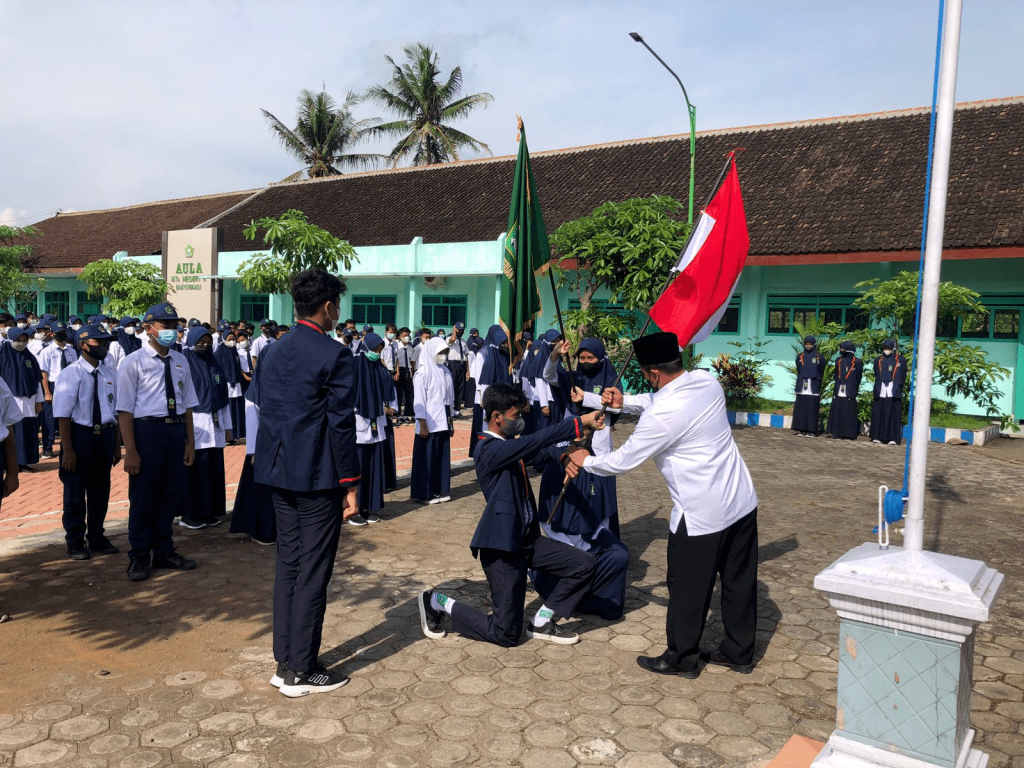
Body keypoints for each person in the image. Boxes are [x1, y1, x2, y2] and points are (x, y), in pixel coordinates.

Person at [567, 331, 759, 679]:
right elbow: (659, 398)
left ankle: (682, 658)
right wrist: (622, 401)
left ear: (653, 373)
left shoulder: (663, 416)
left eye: (645, 374)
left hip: (701, 514)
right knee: (738, 581)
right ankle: (739, 651)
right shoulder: (706, 382)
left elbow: (622, 461)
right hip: (741, 501)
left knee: (686, 586)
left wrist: (586, 460)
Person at [419, 382, 603, 647]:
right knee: (505, 634)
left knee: (584, 564)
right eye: (516, 416)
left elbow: (539, 450)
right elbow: (535, 442)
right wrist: (578, 422)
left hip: (527, 541)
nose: (521, 421)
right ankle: (435, 601)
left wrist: (563, 457)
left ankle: (541, 622)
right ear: (497, 417)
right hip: (502, 550)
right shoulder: (487, 450)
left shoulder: (507, 445)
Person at [253, 267, 361, 697]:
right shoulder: (333, 353)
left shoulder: (273, 350)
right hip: (317, 476)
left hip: (280, 470)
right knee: (313, 572)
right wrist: (351, 482)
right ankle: (301, 668)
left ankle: (285, 660)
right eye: (338, 306)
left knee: (289, 565)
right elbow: (341, 424)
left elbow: (265, 404)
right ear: (329, 306)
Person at [535, 337, 629, 620]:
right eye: (582, 358)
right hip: (569, 440)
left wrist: (585, 398)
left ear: (600, 357)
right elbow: (548, 375)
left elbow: (614, 408)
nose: (586, 363)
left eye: (590, 359)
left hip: (598, 446)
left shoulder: (612, 377)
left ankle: (597, 544)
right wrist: (554, 354)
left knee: (597, 498)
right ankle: (566, 552)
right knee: (568, 493)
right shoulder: (571, 374)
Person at [116, 302, 200, 582]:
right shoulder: (132, 362)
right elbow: (125, 410)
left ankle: (164, 550)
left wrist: (190, 442)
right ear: (148, 328)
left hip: (175, 432)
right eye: (166, 326)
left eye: (175, 326)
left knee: (169, 495)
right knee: (143, 496)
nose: (172, 331)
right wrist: (130, 451)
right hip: (147, 432)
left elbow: (187, 404)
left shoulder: (180, 360)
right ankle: (140, 553)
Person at [53, 323, 121, 561]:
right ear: (83, 345)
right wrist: (68, 450)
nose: (103, 346)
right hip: (79, 436)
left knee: (100, 491)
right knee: (74, 493)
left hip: (104, 436)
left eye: (105, 342)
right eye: (98, 342)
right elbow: (63, 415)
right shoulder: (71, 373)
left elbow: (114, 413)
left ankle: (97, 536)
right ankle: (74, 541)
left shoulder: (109, 374)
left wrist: (115, 445)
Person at [180, 327, 232, 529]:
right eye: (200, 341)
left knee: (212, 469)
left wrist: (227, 426)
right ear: (192, 342)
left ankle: (208, 511)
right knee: (195, 471)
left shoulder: (215, 364)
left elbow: (223, 397)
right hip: (196, 424)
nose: (204, 345)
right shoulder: (185, 364)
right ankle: (189, 514)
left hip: (216, 421)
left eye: (208, 341)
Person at [229, 361, 276, 545]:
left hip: (276, 448)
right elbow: (252, 425)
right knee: (260, 494)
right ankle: (261, 530)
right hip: (260, 451)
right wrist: (255, 451)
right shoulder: (254, 394)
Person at [351, 332, 392, 526]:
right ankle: (353, 509)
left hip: (375, 423)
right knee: (358, 468)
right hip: (358, 422)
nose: (376, 353)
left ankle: (368, 506)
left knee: (372, 468)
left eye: (379, 350)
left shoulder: (377, 368)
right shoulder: (353, 367)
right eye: (374, 349)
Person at [411, 337, 454, 504]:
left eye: (445, 353)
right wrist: (422, 424)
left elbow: (449, 399)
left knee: (439, 458)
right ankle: (424, 493)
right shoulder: (422, 373)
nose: (442, 356)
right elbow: (419, 400)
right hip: (428, 422)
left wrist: (451, 423)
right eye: (440, 352)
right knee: (426, 459)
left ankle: (438, 489)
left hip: (443, 421)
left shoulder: (445, 371)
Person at [0, 327, 44, 468]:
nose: (21, 343)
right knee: (13, 433)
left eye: (24, 340)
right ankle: (12, 464)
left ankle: (25, 461)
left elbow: (37, 380)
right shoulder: (3, 355)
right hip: (10, 401)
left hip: (29, 400)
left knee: (28, 431)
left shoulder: (29, 356)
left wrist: (39, 401)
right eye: (18, 340)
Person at [468, 325, 511, 458]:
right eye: (502, 342)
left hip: (502, 398)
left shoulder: (503, 354)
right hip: (485, 396)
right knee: (486, 426)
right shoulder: (483, 353)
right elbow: (482, 376)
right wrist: (482, 395)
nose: (504, 345)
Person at [39, 322, 78, 459]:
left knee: (68, 417)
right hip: (53, 385)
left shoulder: (72, 351)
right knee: (49, 418)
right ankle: (48, 448)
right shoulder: (46, 351)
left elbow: (75, 370)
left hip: (69, 385)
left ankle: (67, 446)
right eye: (58, 332)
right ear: (52, 334)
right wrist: (47, 392)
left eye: (63, 332)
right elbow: (44, 373)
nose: (61, 335)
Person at [870, 339, 907, 445]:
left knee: (893, 413)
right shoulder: (878, 360)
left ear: (893, 349)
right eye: (885, 348)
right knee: (879, 412)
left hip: (893, 389)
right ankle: (877, 436)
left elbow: (903, 374)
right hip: (881, 388)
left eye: (888, 348)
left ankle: (893, 438)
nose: (886, 350)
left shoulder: (900, 360)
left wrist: (898, 386)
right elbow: (876, 373)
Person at [827, 341, 864, 440]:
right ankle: (836, 432)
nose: (841, 351)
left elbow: (858, 377)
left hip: (850, 390)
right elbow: (836, 374)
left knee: (848, 412)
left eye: (843, 349)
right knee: (838, 410)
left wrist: (853, 386)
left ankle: (848, 434)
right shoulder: (838, 360)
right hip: (839, 389)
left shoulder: (857, 362)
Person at [215, 329, 246, 443]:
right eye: (229, 339)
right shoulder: (220, 351)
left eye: (233, 339)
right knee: (228, 410)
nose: (232, 341)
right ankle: (227, 436)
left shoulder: (234, 351)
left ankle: (236, 435)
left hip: (237, 384)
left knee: (237, 410)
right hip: (226, 384)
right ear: (224, 339)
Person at [792, 335, 826, 437]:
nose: (808, 346)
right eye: (806, 344)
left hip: (813, 386)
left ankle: (811, 431)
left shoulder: (820, 357)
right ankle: (801, 429)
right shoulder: (800, 356)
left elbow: (821, 371)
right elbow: (799, 369)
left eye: (810, 344)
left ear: (814, 344)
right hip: (802, 385)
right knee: (801, 408)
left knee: (811, 408)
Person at [446, 322, 470, 419]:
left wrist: (467, 370)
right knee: (453, 387)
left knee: (460, 388)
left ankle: (457, 410)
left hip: (461, 364)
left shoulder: (463, 342)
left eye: (462, 330)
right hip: (453, 364)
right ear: (455, 329)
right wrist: (454, 332)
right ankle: (451, 410)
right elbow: (452, 340)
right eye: (459, 330)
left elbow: (466, 356)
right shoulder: (449, 338)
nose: (461, 332)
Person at [394, 327, 415, 424]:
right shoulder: (396, 347)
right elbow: (395, 360)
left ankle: (407, 414)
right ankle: (397, 414)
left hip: (408, 370)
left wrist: (412, 372)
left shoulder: (410, 348)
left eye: (408, 335)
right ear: (400, 336)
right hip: (399, 370)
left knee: (409, 394)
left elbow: (412, 361)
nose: (407, 337)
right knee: (398, 393)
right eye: (405, 336)